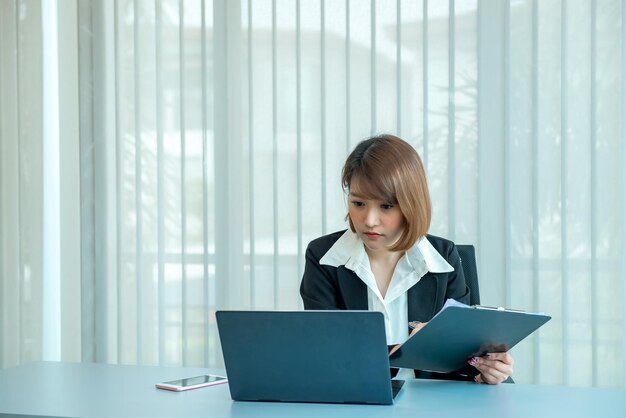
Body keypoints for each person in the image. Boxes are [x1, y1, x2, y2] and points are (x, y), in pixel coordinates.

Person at [300, 134, 513, 384]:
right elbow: (326, 351)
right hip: (356, 399)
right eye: (358, 203)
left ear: (410, 204)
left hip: (433, 404)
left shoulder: (444, 258)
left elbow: (461, 359)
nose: (369, 220)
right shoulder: (324, 258)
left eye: (386, 206)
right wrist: (411, 349)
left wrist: (486, 370)